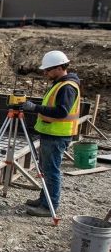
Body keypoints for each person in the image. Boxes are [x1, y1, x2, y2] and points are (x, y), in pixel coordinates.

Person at [20, 50, 81, 217]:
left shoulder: (67, 87)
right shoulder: (60, 83)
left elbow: (61, 112)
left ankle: (49, 206)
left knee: (51, 171)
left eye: (48, 70)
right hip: (51, 134)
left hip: (57, 136)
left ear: (60, 67)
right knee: (46, 169)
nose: (45, 73)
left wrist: (35, 108)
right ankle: (44, 199)